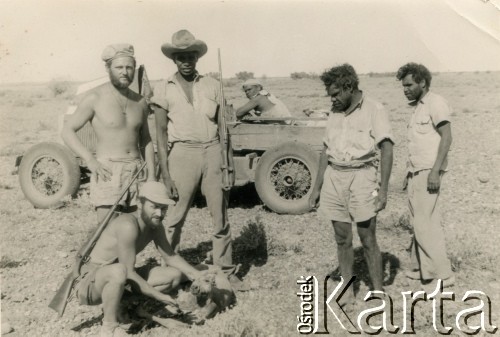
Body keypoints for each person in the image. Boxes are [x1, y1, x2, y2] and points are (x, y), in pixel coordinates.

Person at [150, 30, 243, 289]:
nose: (187, 61)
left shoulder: (213, 85)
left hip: (213, 151)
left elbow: (224, 128)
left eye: (191, 56)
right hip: (181, 153)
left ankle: (225, 270)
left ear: (197, 58)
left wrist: (229, 164)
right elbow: (160, 133)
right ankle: (170, 270)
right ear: (174, 60)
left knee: (220, 214)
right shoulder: (163, 88)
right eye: (181, 57)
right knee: (174, 216)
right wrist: (165, 174)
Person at [309, 64, 394, 306]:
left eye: (335, 94)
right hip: (335, 177)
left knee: (367, 238)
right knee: (342, 238)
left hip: (363, 176)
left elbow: (387, 149)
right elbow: (325, 150)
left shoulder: (374, 109)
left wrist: (384, 190)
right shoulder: (335, 112)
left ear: (349, 87)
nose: (332, 99)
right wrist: (317, 188)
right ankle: (347, 290)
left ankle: (378, 292)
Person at [74, 181, 203, 337]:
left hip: (119, 278)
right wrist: (159, 296)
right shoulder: (128, 225)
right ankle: (109, 327)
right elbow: (127, 271)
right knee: (119, 272)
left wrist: (197, 274)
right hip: (90, 283)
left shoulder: (155, 226)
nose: (159, 213)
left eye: (163, 208)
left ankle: (122, 304)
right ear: (140, 204)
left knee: (173, 276)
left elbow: (170, 256)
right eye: (154, 207)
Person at [61, 44, 155, 222]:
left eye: (129, 67)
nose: (124, 72)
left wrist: (151, 175)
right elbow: (67, 131)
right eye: (119, 67)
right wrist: (90, 160)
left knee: (134, 230)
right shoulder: (94, 98)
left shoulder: (140, 102)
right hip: (108, 170)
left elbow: (146, 140)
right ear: (107, 68)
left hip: (137, 170)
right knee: (108, 231)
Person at [396, 63, 454, 290]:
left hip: (428, 172)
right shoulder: (418, 107)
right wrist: (409, 173)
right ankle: (419, 269)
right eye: (403, 85)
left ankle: (441, 275)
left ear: (422, 82)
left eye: (409, 84)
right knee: (418, 222)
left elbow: (447, 137)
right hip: (416, 172)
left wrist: (435, 171)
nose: (405, 89)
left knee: (425, 224)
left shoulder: (435, 103)